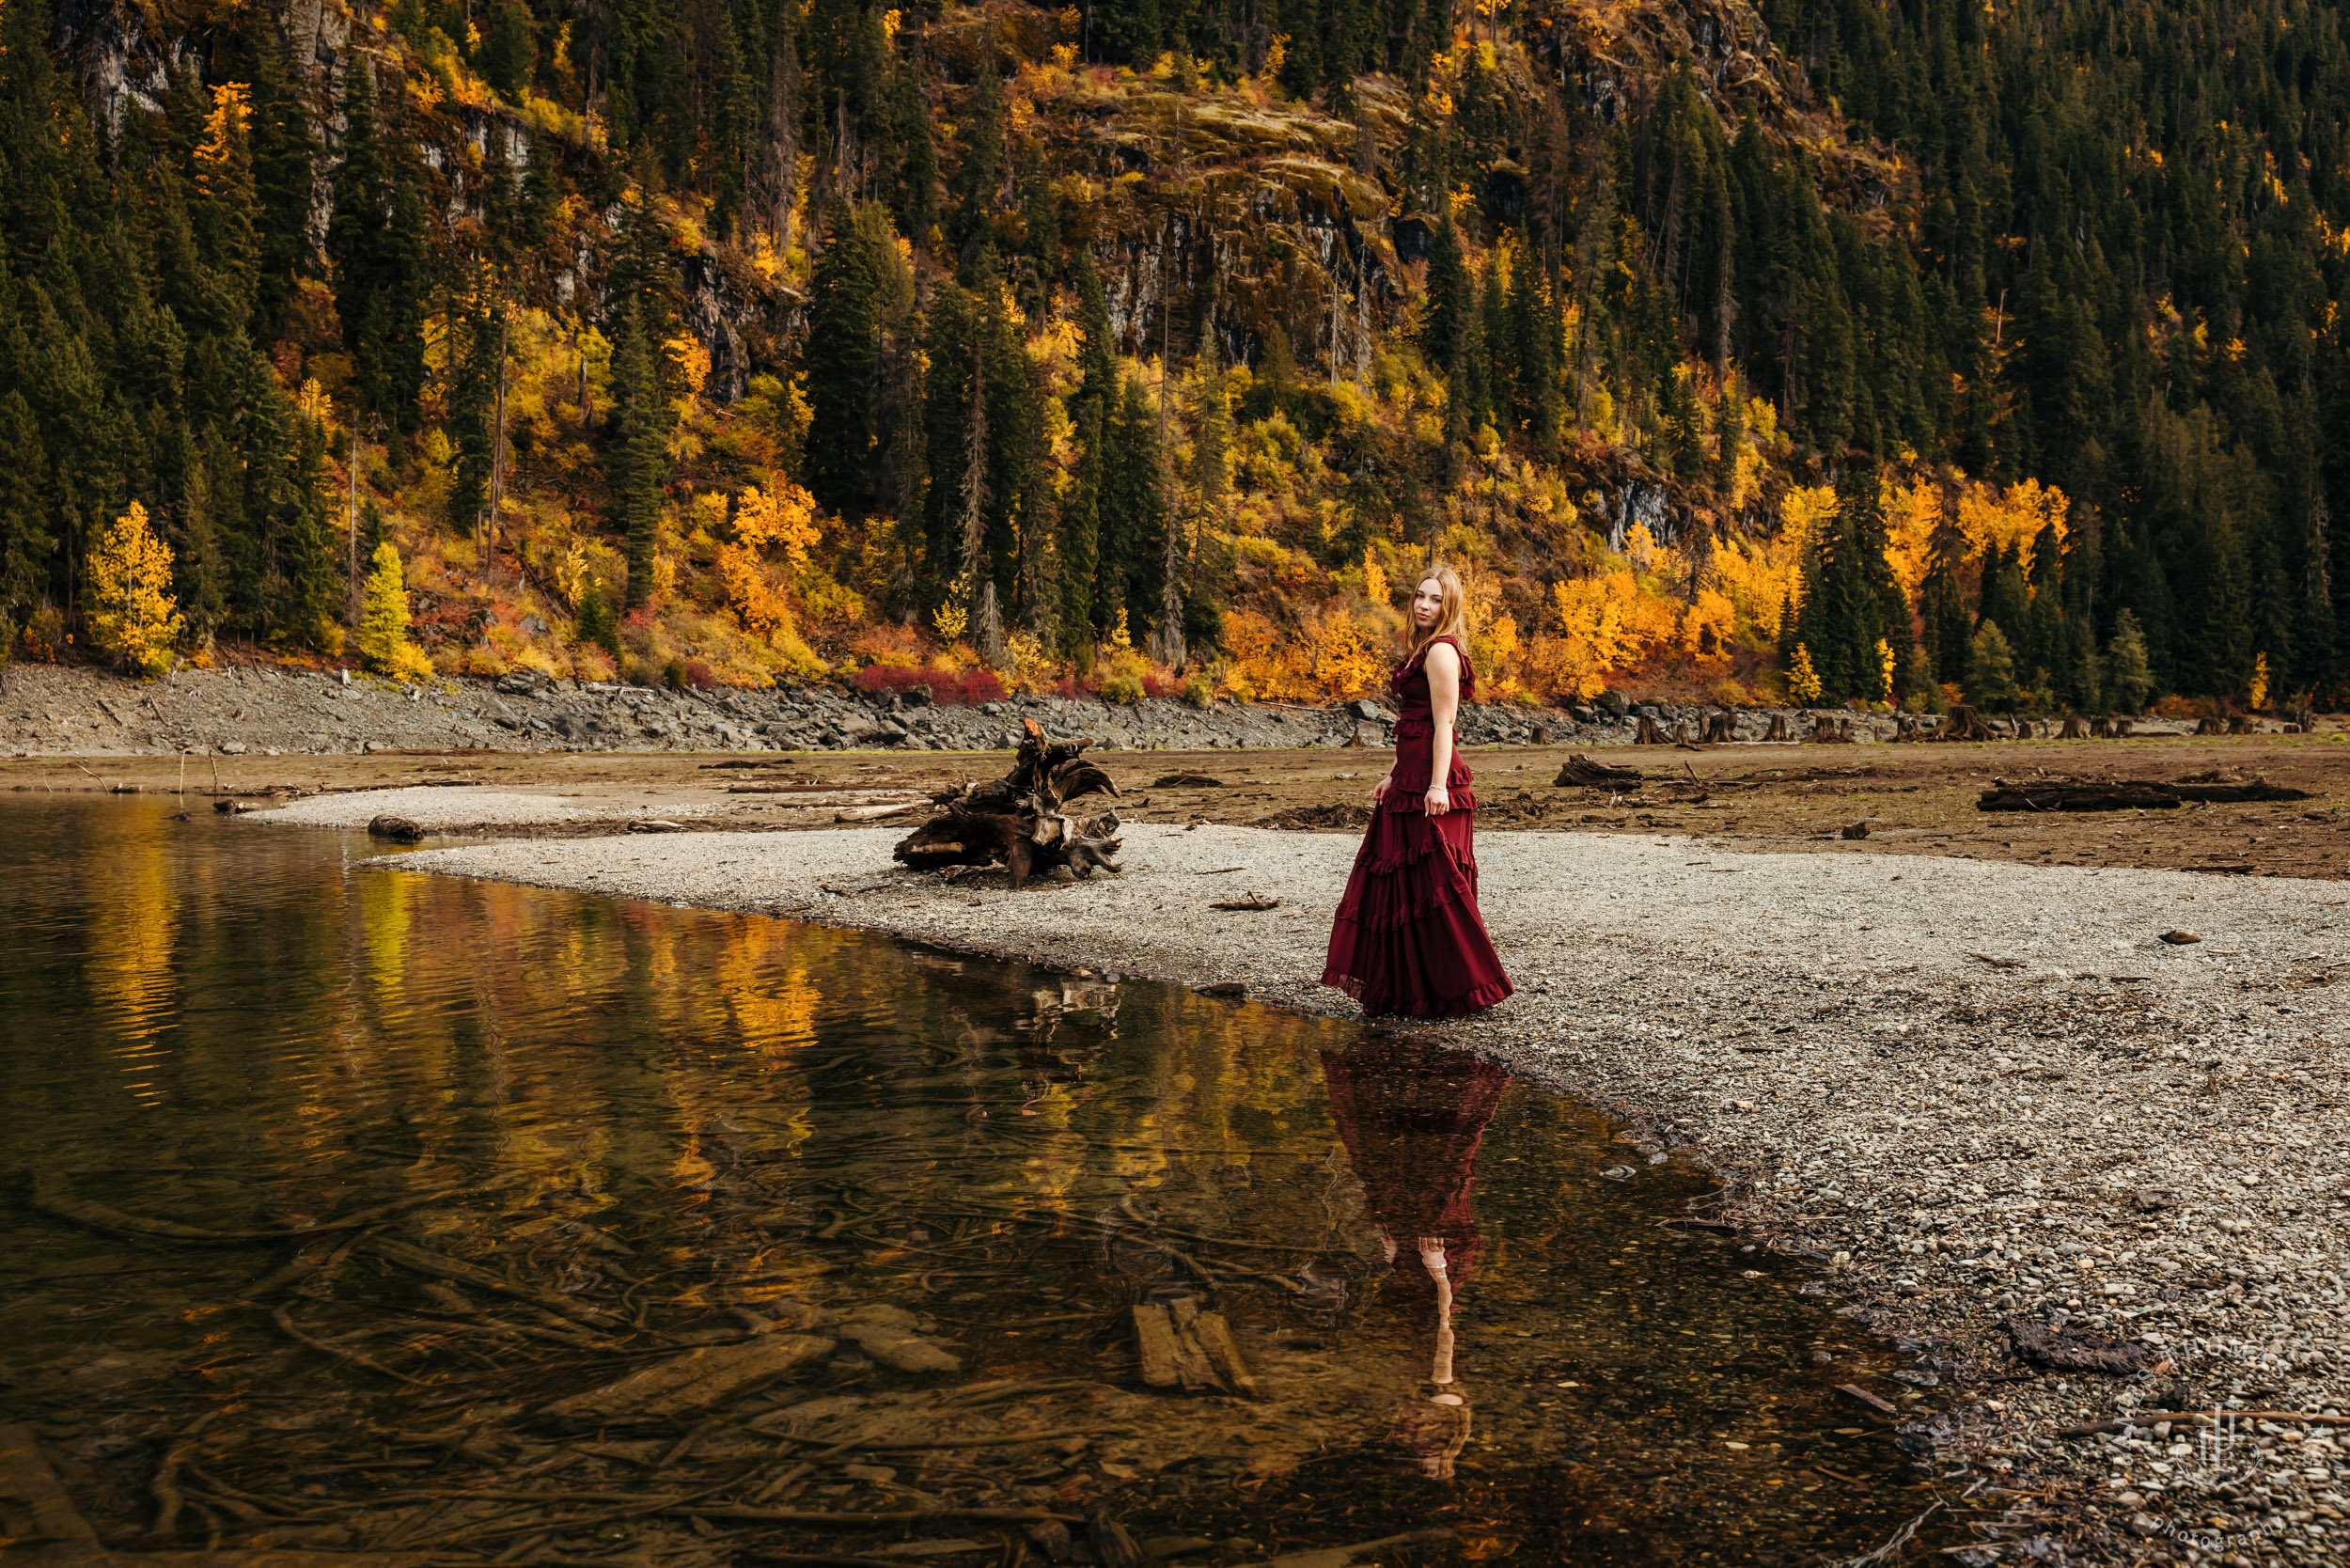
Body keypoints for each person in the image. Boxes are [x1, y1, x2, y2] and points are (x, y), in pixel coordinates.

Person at [1321, 566, 1513, 1018]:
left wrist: (1437, 784)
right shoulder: (1424, 648)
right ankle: (1409, 990)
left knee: (1435, 891)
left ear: (1450, 606)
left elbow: (1443, 725)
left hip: (1433, 787)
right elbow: (1413, 727)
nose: (1424, 605)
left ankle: (1459, 989)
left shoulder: (1442, 652)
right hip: (1409, 783)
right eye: (1420, 597)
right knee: (1402, 891)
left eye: (1436, 599)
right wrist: (1394, 774)